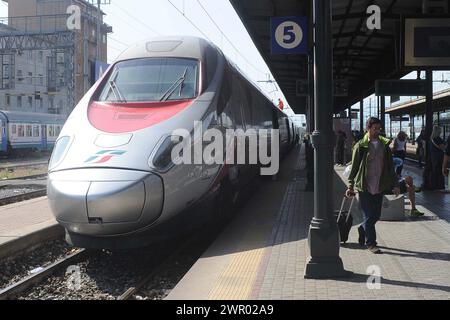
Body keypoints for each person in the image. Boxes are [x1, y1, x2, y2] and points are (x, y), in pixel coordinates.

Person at [346, 117, 400, 254]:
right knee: (369, 215)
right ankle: (371, 243)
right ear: (368, 128)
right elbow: (354, 168)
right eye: (375, 128)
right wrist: (350, 186)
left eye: (379, 128)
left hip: (379, 185)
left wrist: (395, 184)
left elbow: (390, 168)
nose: (377, 131)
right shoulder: (361, 146)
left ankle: (362, 228)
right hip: (364, 186)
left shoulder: (384, 146)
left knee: (376, 215)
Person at [430, 126, 445, 190]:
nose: (441, 132)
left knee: (435, 172)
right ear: (438, 131)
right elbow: (442, 148)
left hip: (434, 157)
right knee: (440, 172)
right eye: (440, 131)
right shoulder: (438, 139)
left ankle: (435, 185)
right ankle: (440, 186)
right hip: (440, 157)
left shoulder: (431, 139)